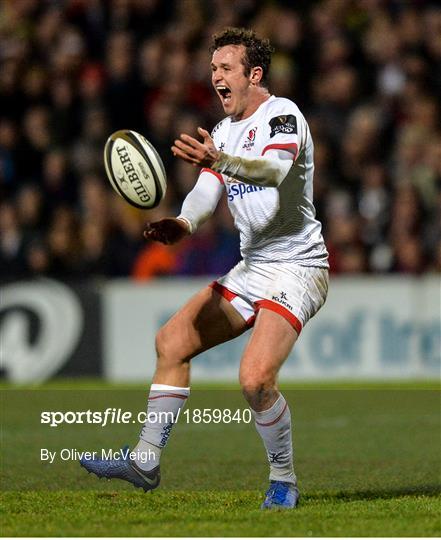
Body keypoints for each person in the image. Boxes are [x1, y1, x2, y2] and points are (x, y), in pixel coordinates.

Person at [81, 27, 329, 510]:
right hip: (254, 266)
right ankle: (145, 460)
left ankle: (284, 480)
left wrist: (224, 160)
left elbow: (274, 172)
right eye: (213, 68)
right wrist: (182, 222)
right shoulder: (222, 132)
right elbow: (206, 191)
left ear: (253, 74)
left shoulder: (283, 116)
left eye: (225, 68)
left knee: (255, 379)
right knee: (171, 342)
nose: (215, 76)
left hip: (298, 266)